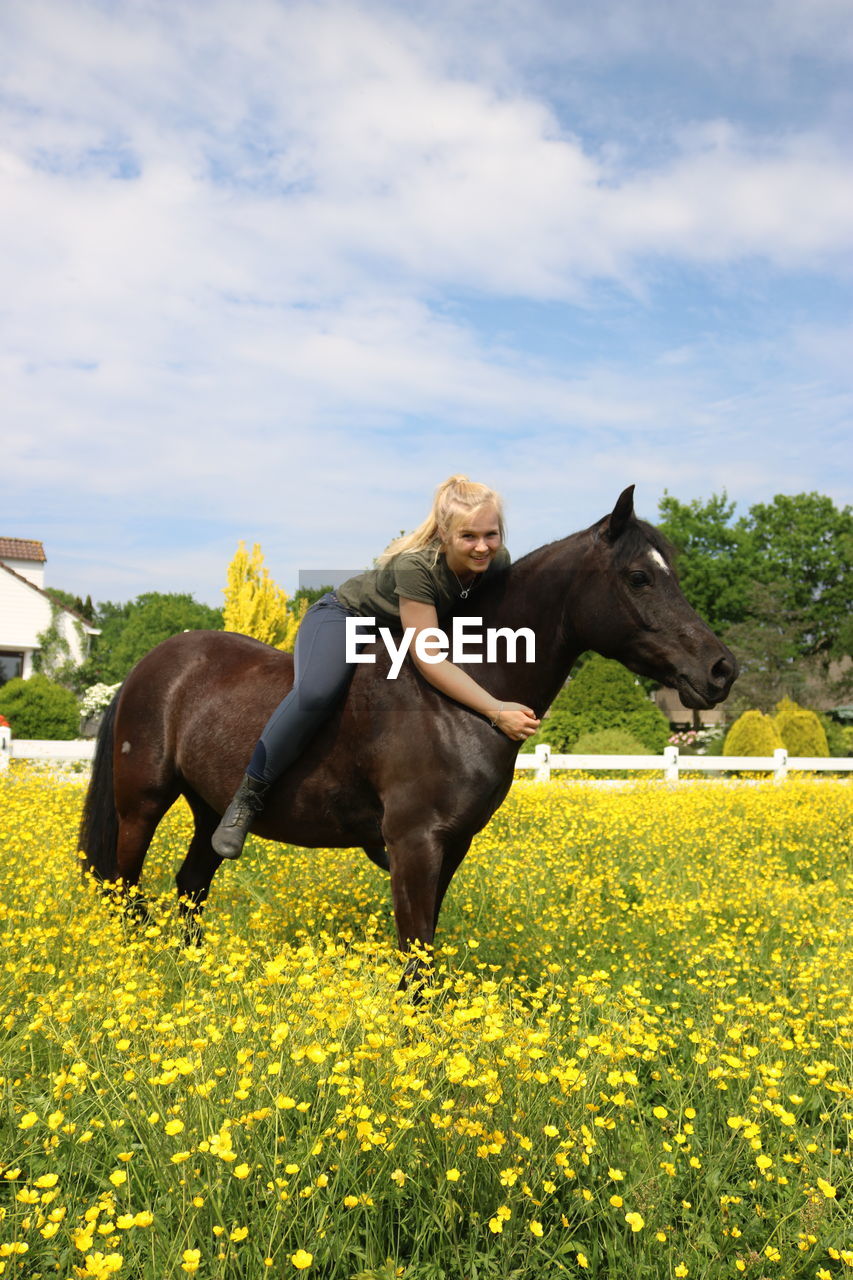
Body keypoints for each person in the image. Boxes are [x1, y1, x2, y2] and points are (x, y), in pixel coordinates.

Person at [211, 475, 541, 859]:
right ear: (444, 533)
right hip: (346, 618)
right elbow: (429, 658)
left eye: (492, 534)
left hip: (398, 630)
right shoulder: (417, 567)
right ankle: (248, 798)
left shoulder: (496, 562)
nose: (483, 547)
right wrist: (496, 710)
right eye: (469, 536)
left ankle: (377, 822)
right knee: (316, 693)